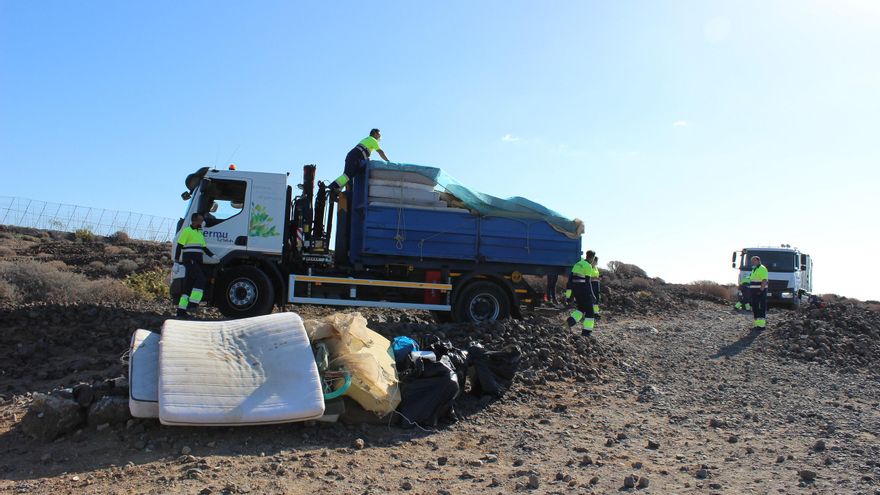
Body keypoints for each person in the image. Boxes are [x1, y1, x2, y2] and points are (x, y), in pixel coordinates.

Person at [175, 212, 215, 318]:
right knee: (201, 279)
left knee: (188, 287)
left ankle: (181, 311)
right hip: (190, 260)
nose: (202, 222)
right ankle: (193, 304)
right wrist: (176, 262)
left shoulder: (199, 233)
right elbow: (179, 246)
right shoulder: (187, 231)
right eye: (200, 220)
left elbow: (203, 247)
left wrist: (212, 256)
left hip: (196, 261)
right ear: (194, 221)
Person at [564, 251, 596, 337]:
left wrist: (571, 295)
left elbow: (570, 280)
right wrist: (592, 295)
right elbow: (588, 282)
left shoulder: (577, 264)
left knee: (581, 309)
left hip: (576, 291)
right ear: (592, 258)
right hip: (584, 291)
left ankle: (568, 323)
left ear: (586, 255)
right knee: (590, 312)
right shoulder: (588, 266)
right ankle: (586, 333)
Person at [748, 255, 769, 329]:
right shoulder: (754, 269)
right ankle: (757, 324)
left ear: (758, 261)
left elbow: (764, 280)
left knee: (761, 307)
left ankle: (761, 325)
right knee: (755, 307)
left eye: (754, 261)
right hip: (754, 292)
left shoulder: (762, 268)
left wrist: (761, 290)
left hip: (760, 292)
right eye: (752, 261)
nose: (752, 262)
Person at [590, 254, 601, 318]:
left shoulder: (596, 268)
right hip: (591, 284)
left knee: (597, 298)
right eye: (596, 261)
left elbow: (597, 275)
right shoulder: (589, 267)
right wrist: (593, 278)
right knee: (592, 298)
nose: (597, 262)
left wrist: (598, 278)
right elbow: (586, 277)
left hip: (596, 284)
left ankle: (596, 312)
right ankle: (590, 312)